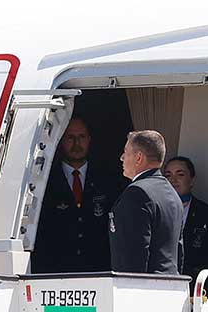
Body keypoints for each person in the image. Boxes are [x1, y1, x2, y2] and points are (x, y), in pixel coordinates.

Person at [31, 116, 127, 273]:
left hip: (98, 270)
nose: (77, 144)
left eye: (81, 137)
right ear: (61, 140)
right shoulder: (45, 180)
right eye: (70, 137)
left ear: (89, 140)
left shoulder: (107, 179)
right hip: (56, 272)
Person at [110, 130, 184, 275]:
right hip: (172, 287)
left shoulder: (136, 193)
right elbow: (178, 253)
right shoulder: (172, 194)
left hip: (145, 290)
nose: (122, 157)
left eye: (126, 152)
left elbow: (132, 255)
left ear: (138, 158)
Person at [163, 156, 208, 282]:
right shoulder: (155, 210)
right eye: (168, 175)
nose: (173, 180)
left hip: (195, 285)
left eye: (180, 174)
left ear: (192, 180)